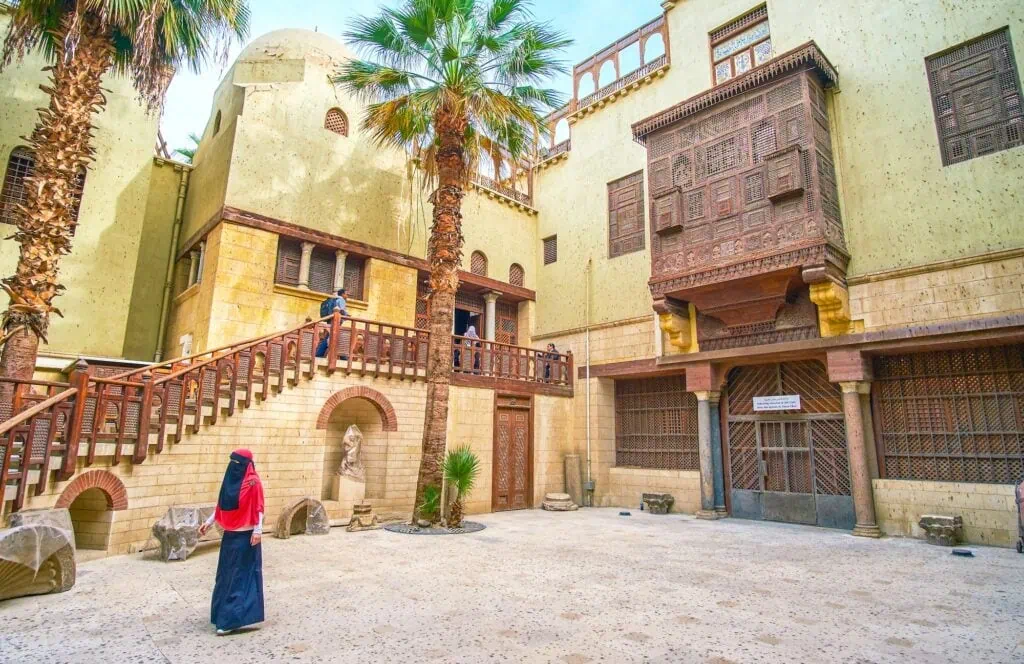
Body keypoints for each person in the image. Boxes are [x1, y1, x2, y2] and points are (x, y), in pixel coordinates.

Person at [199, 449, 265, 635]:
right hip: (230, 535)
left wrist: (258, 530)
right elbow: (221, 504)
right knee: (225, 576)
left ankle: (230, 620)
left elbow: (259, 507)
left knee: (240, 577)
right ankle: (223, 616)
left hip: (247, 536)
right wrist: (209, 522)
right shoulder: (231, 482)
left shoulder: (253, 483)